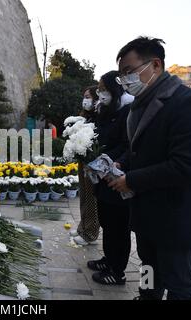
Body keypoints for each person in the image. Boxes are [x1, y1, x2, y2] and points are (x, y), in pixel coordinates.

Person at [109, 37, 191, 300]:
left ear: (155, 65)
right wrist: (122, 163)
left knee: (179, 284)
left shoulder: (188, 104)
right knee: (148, 272)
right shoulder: (139, 105)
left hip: (176, 218)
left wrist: (131, 179)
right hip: (147, 215)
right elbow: (142, 149)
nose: (124, 81)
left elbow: (186, 166)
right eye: (121, 75)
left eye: (129, 72)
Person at [85, 71, 134, 285]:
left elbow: (128, 144)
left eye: (103, 88)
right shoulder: (104, 110)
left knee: (118, 226)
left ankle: (117, 270)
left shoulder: (127, 111)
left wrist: (115, 161)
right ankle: (109, 259)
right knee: (106, 220)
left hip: (115, 173)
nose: (100, 92)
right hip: (101, 173)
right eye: (99, 89)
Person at [71, 86, 100, 246]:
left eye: (88, 96)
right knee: (84, 195)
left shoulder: (98, 116)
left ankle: (90, 232)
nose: (85, 99)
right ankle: (83, 227)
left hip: (92, 162)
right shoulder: (86, 117)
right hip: (84, 159)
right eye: (84, 96)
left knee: (90, 197)